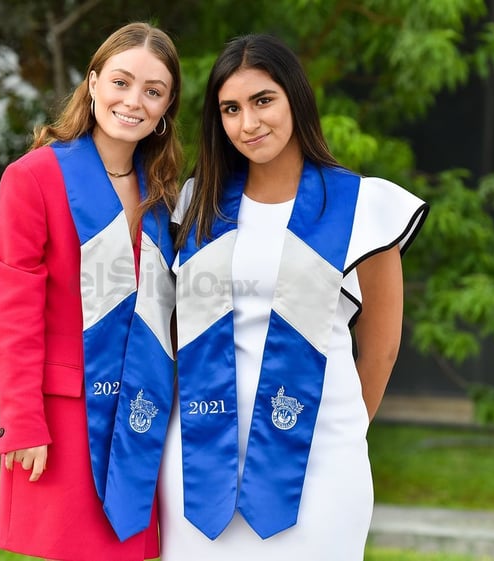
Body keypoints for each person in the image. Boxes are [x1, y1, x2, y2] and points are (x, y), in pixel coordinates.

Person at [159, 34, 428, 560]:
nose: (249, 124)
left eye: (263, 101)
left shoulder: (360, 206)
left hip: (317, 455)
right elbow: (173, 325)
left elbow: (381, 348)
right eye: (231, 109)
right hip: (200, 457)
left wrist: (336, 427)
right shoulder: (195, 205)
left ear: (295, 100)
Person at [0, 22, 182, 561]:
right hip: (65, 419)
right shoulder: (35, 178)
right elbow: (13, 311)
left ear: (166, 108)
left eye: (153, 91)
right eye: (121, 81)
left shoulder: (164, 195)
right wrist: (22, 421)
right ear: (93, 83)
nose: (133, 101)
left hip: (144, 416)